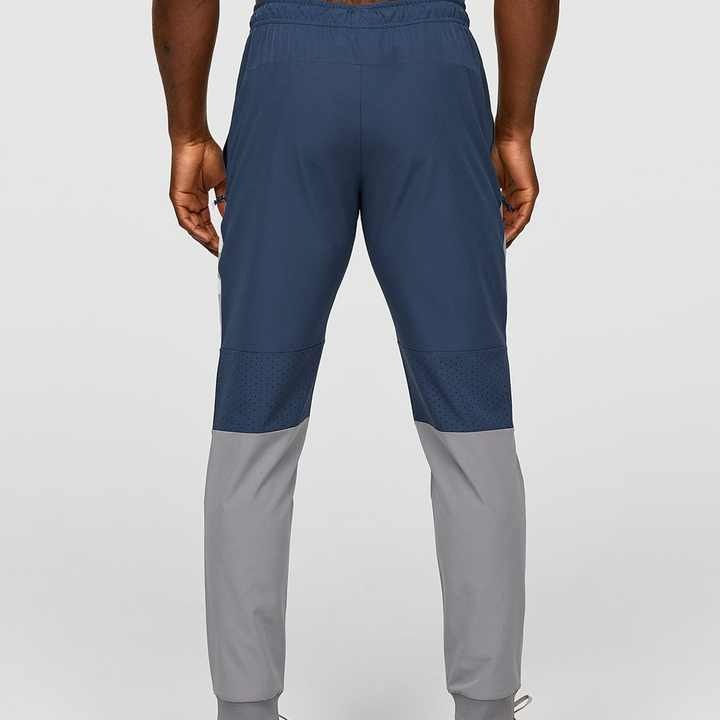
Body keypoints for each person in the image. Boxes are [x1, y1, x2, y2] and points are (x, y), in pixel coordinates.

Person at [152, 1, 558, 719]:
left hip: (290, 78)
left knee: (255, 407)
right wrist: (514, 127)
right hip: (433, 78)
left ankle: (245, 709)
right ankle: (487, 707)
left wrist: (187, 132)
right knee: (471, 411)